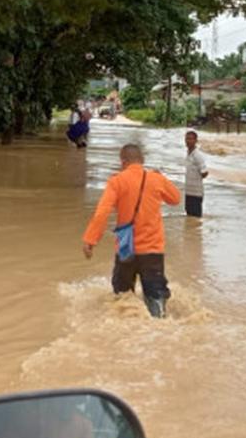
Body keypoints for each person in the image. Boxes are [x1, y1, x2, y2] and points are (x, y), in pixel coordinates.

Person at [82, 144, 180, 318]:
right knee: (156, 296)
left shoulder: (117, 181)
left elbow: (102, 212)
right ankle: (160, 328)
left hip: (126, 248)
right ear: (142, 161)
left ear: (123, 162)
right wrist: (161, 177)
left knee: (122, 296)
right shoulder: (156, 179)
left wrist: (90, 240)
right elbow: (175, 199)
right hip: (152, 250)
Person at [183, 130, 209, 218]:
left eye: (191, 139)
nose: (188, 141)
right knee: (189, 218)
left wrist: (197, 179)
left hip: (196, 193)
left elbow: (205, 172)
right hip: (188, 191)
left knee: (196, 218)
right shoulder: (188, 154)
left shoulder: (198, 155)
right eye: (187, 139)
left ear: (195, 141)